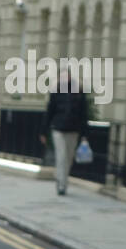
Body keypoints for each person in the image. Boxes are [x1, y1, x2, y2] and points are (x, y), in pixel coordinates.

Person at [40, 69, 89, 197]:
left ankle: (61, 177)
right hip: (58, 129)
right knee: (61, 157)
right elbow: (50, 111)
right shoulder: (55, 92)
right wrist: (43, 131)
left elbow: (84, 113)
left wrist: (84, 134)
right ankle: (62, 184)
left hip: (73, 130)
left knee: (68, 158)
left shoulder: (79, 91)